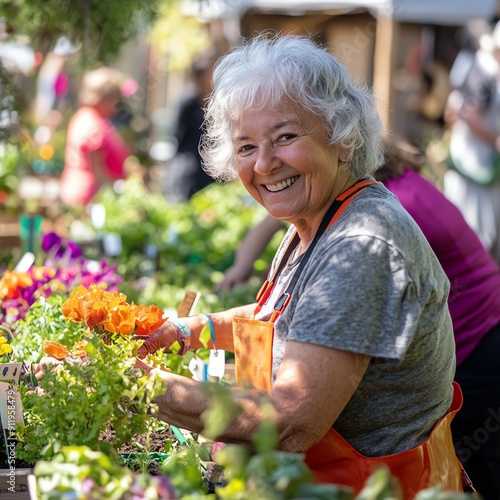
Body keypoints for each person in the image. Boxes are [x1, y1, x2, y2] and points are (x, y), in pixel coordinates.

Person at [137, 34, 464, 495]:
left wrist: (142, 388)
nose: (265, 163)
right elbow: (286, 319)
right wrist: (193, 331)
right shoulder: (316, 219)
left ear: (343, 138)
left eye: (286, 137)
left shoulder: (362, 246)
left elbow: (290, 423)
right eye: (246, 146)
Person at [216, 135, 500, 497]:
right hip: (481, 326)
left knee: (485, 464)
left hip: (477, 338)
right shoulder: (381, 192)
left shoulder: (380, 219)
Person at [444, 20, 500, 265]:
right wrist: (496, 139)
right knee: (476, 242)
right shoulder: (484, 71)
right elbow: (465, 114)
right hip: (474, 173)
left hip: (484, 173)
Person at [60, 66, 132, 207]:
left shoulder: (84, 116)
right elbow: (97, 170)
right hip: (90, 198)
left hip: (83, 193)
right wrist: (118, 190)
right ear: (105, 99)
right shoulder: (91, 122)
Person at [164, 52, 216, 203]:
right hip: (188, 169)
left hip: (211, 170)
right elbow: (176, 134)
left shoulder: (218, 101)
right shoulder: (188, 101)